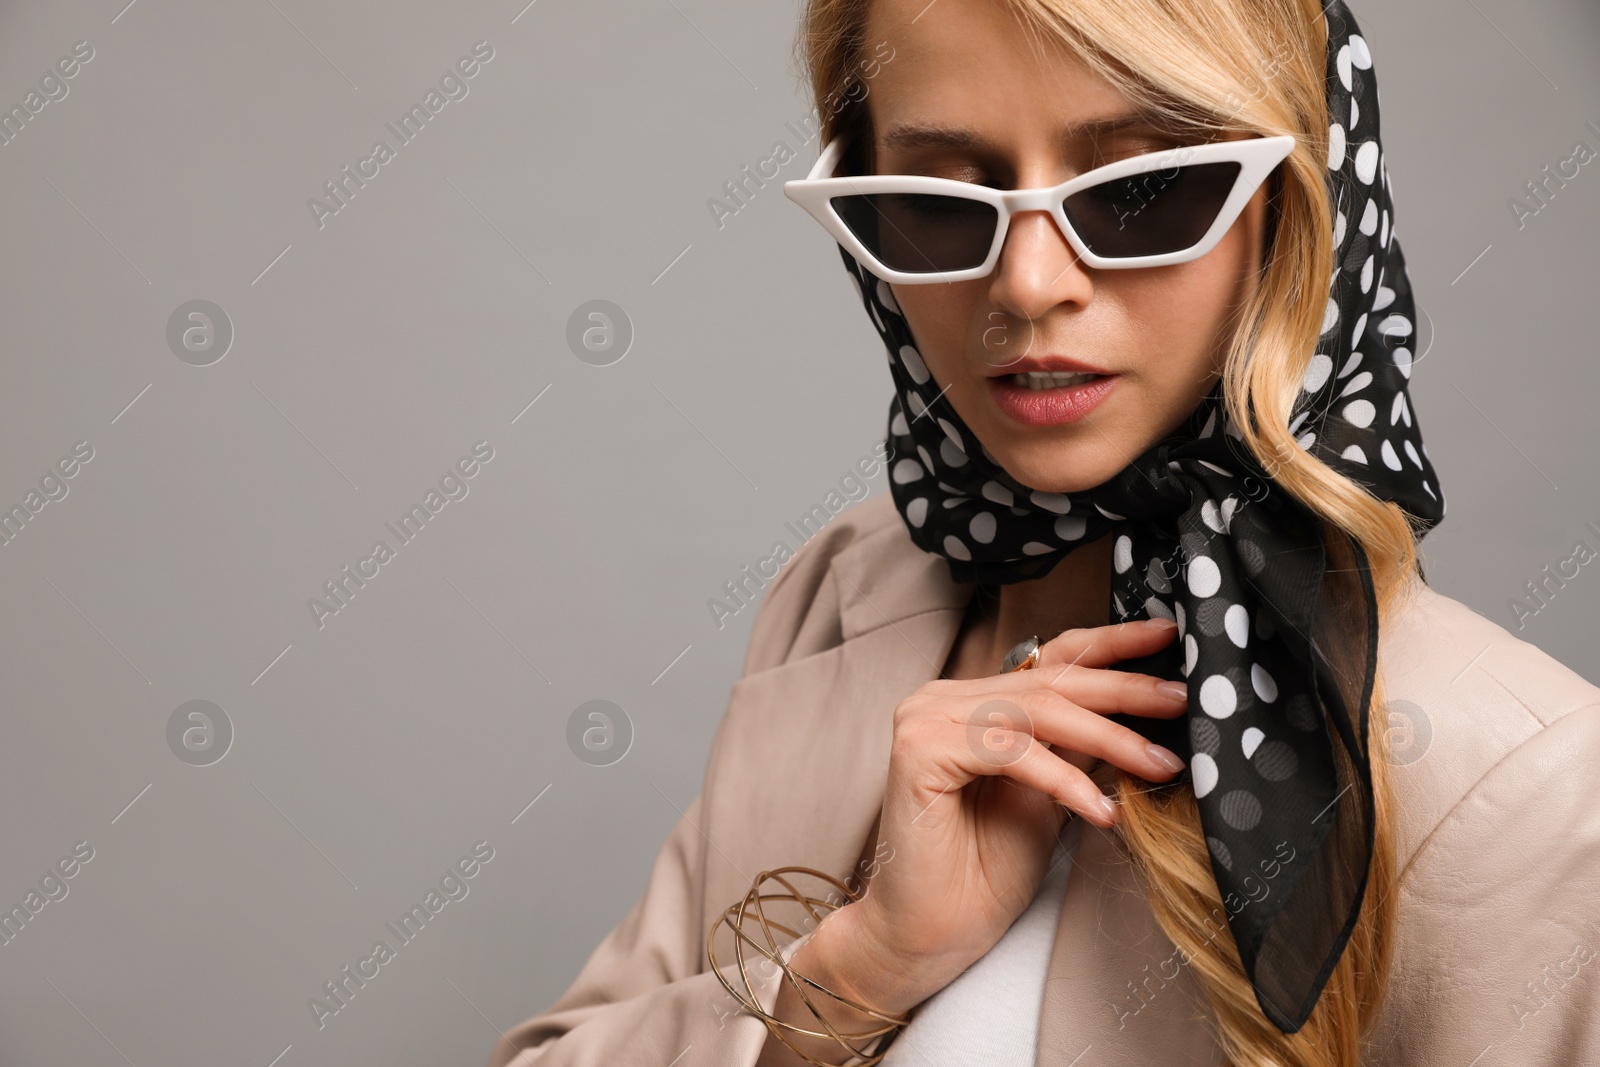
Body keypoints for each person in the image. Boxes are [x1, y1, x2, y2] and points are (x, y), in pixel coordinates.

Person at [487, 0, 1600, 1064]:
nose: (1025, 283)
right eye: (936, 198)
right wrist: (860, 967)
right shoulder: (844, 590)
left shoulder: (1528, 790)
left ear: (1299, 195)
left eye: (1143, 189)